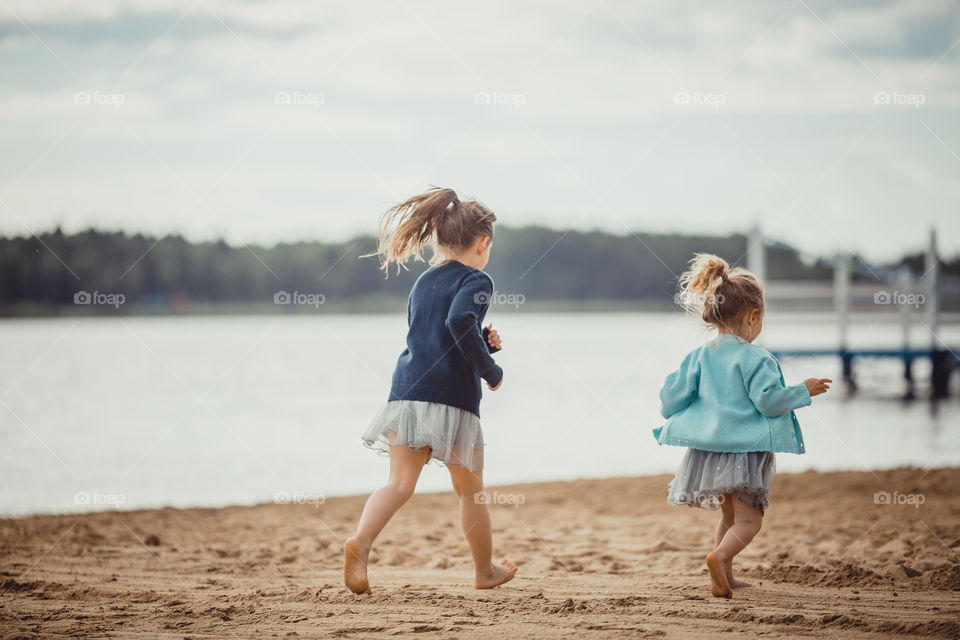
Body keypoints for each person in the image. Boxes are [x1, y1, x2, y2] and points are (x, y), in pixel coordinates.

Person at [343, 187, 517, 595]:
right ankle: (484, 571)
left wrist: (481, 339)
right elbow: (458, 324)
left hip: (406, 391)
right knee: (470, 492)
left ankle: (361, 544)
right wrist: (490, 368)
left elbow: (433, 332)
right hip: (451, 398)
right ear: (483, 243)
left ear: (438, 241)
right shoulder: (479, 279)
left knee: (399, 485)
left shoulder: (423, 282)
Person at [653, 253, 831, 598]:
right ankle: (719, 557)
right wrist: (802, 391)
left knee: (729, 515)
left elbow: (669, 403)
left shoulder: (698, 357)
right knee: (750, 521)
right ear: (753, 316)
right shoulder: (757, 357)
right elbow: (768, 401)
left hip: (708, 453)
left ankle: (724, 573)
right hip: (745, 453)